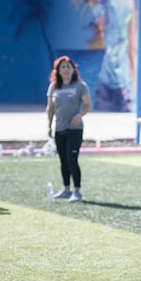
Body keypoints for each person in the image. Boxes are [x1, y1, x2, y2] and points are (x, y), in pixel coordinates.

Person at [76, 0, 136, 112]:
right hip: (107, 79)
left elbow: (132, 40)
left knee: (128, 121)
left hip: (125, 82)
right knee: (103, 121)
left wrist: (136, 87)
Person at [46, 56, 91, 203]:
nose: (66, 69)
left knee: (72, 159)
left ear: (73, 69)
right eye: (63, 67)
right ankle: (66, 189)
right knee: (63, 160)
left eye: (68, 67)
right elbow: (50, 108)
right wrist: (49, 125)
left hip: (75, 130)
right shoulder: (54, 87)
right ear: (58, 70)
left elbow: (88, 106)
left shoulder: (80, 86)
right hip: (60, 128)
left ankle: (77, 192)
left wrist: (79, 115)